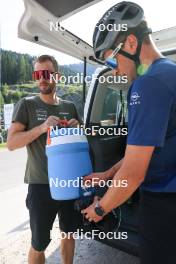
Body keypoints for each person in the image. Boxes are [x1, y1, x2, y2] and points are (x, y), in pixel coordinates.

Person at [82, 2, 176, 264]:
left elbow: (134, 173)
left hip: (164, 204)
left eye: (112, 57)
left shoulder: (148, 85)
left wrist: (100, 209)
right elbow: (147, 148)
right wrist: (108, 173)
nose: (114, 69)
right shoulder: (168, 73)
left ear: (131, 44)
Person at [7, 55, 82, 264]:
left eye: (46, 74)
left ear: (56, 76)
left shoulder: (69, 106)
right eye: (37, 74)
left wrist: (78, 129)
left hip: (69, 184)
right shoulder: (27, 105)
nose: (42, 79)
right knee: (39, 243)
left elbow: (82, 143)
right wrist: (41, 128)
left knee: (69, 233)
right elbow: (12, 142)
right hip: (41, 186)